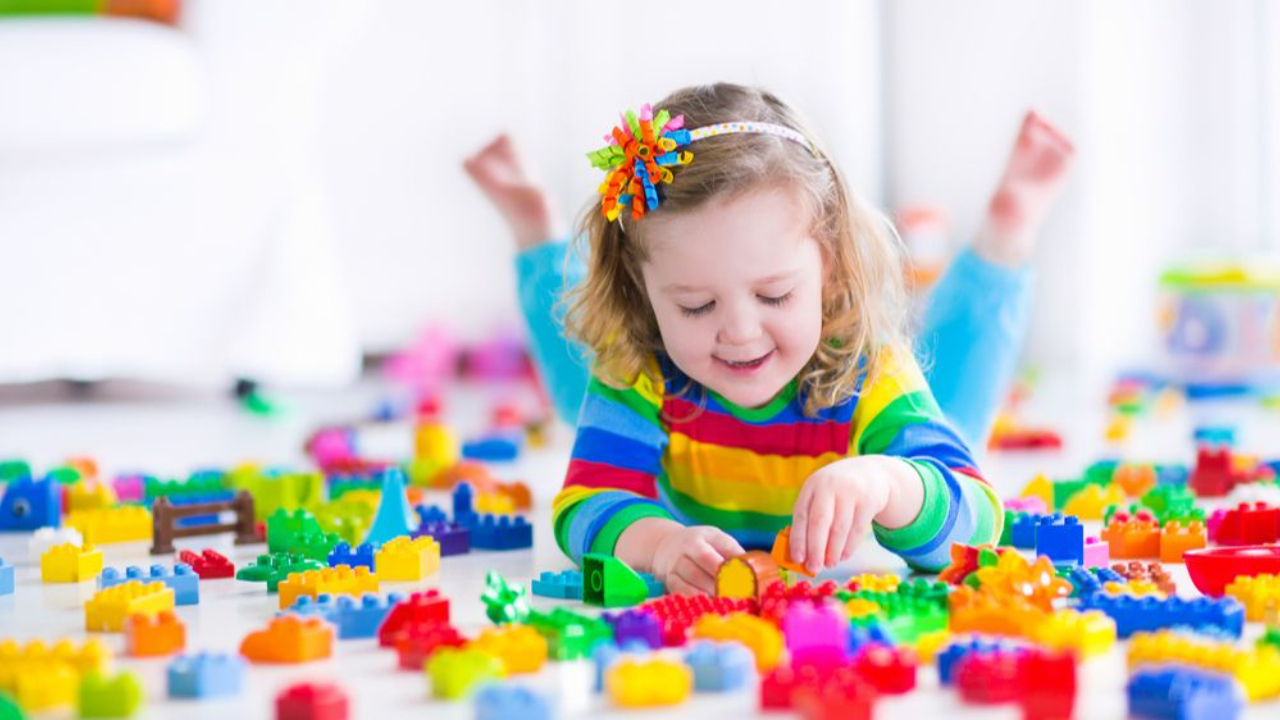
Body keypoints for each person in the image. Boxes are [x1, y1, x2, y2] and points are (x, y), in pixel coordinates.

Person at [465, 83, 1073, 593]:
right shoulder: (640, 366)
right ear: (646, 291)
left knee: (956, 417)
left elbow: (977, 520)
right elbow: (584, 505)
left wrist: (886, 482)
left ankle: (1006, 233)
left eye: (775, 296)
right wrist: (656, 543)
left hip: (858, 404)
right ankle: (535, 228)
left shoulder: (869, 371)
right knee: (587, 371)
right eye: (697, 304)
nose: (739, 331)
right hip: (649, 371)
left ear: (829, 265)